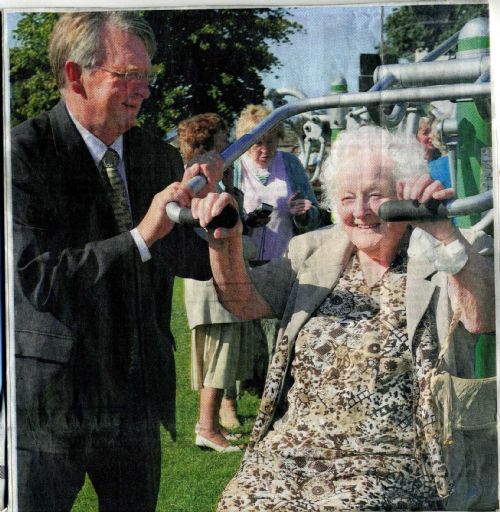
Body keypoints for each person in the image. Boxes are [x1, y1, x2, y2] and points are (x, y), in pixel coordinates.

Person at [191, 125, 495, 510]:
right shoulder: (311, 252)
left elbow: (482, 318)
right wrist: (225, 243)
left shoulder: (449, 248)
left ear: (402, 194)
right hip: (292, 450)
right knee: (240, 504)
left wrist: (445, 235)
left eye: (375, 196)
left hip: (394, 456)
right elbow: (243, 302)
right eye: (347, 198)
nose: (360, 211)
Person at [10, 12, 223, 512]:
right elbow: (36, 278)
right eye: (128, 76)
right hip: (53, 402)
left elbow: (185, 259)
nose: (144, 91)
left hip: (134, 397)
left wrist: (215, 218)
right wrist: (140, 235)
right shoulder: (22, 154)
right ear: (74, 74)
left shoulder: (157, 155)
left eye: (147, 77)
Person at [178, 113, 260, 452]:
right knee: (217, 356)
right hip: (209, 281)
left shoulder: (216, 182)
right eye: (223, 140)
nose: (229, 148)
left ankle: (211, 427)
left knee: (221, 354)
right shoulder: (199, 184)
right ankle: (207, 428)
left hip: (216, 279)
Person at [233, 104, 322, 361]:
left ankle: (277, 381)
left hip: (285, 262)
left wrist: (303, 213)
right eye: (257, 144)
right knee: (249, 328)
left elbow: (314, 213)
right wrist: (247, 222)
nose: (265, 150)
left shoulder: (291, 164)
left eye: (271, 142)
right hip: (246, 263)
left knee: (281, 329)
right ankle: (250, 383)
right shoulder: (236, 167)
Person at [417, 116, 452, 189]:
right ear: (414, 136)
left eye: (431, 131)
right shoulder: (410, 167)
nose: (431, 135)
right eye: (425, 133)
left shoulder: (442, 162)